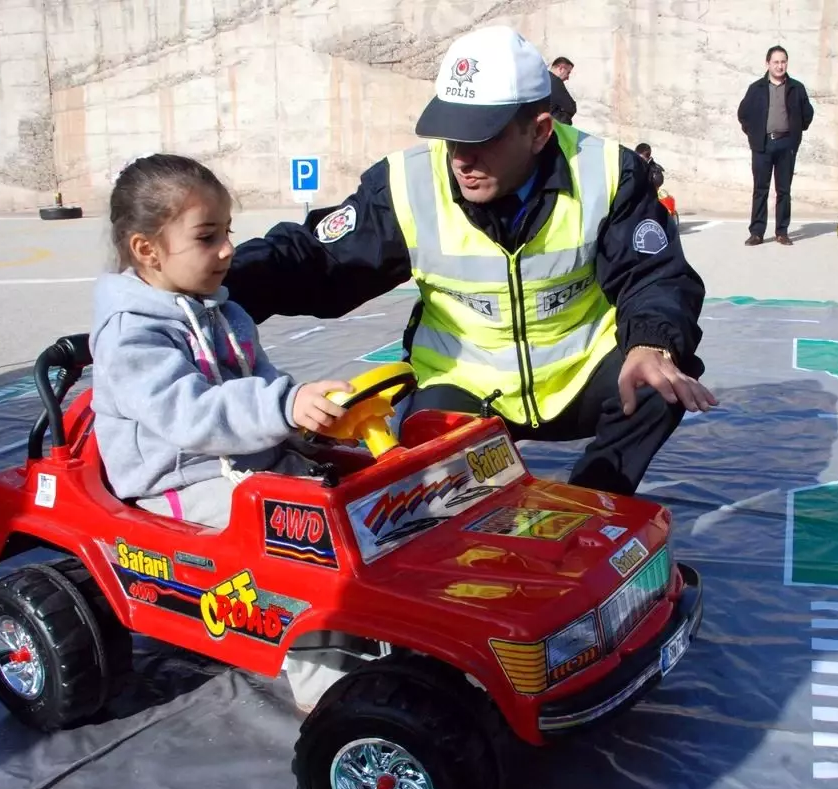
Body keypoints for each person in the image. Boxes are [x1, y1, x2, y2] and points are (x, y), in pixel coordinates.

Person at [225, 25, 716, 499]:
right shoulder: (406, 185)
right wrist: (210, 278)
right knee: (439, 495)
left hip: (578, 382)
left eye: (482, 138)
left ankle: (594, 502)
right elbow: (313, 261)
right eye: (452, 135)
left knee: (660, 378)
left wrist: (652, 344)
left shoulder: (609, 173)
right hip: (461, 391)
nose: (461, 157)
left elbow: (656, 277)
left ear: (540, 131)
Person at [89, 153, 354, 531]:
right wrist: (283, 407)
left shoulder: (228, 314)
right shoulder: (131, 336)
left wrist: (305, 413)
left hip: (250, 460)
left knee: (361, 489)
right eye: (206, 237)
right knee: (310, 531)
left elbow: (262, 383)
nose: (228, 249)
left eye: (227, 232)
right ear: (147, 250)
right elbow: (190, 415)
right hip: (180, 483)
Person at [736, 44, 814, 246]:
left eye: (783, 62)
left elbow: (807, 114)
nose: (780, 66)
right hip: (762, 145)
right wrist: (754, 134)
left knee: (784, 190)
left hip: (786, 144)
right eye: (776, 62)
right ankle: (757, 233)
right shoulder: (756, 89)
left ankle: (782, 232)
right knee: (760, 189)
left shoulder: (797, 88)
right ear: (768, 64)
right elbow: (743, 114)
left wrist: (794, 135)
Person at [548, 55, 577, 124]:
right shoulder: (555, 81)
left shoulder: (541, 77)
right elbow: (571, 108)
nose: (568, 77)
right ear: (561, 69)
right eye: (568, 73)